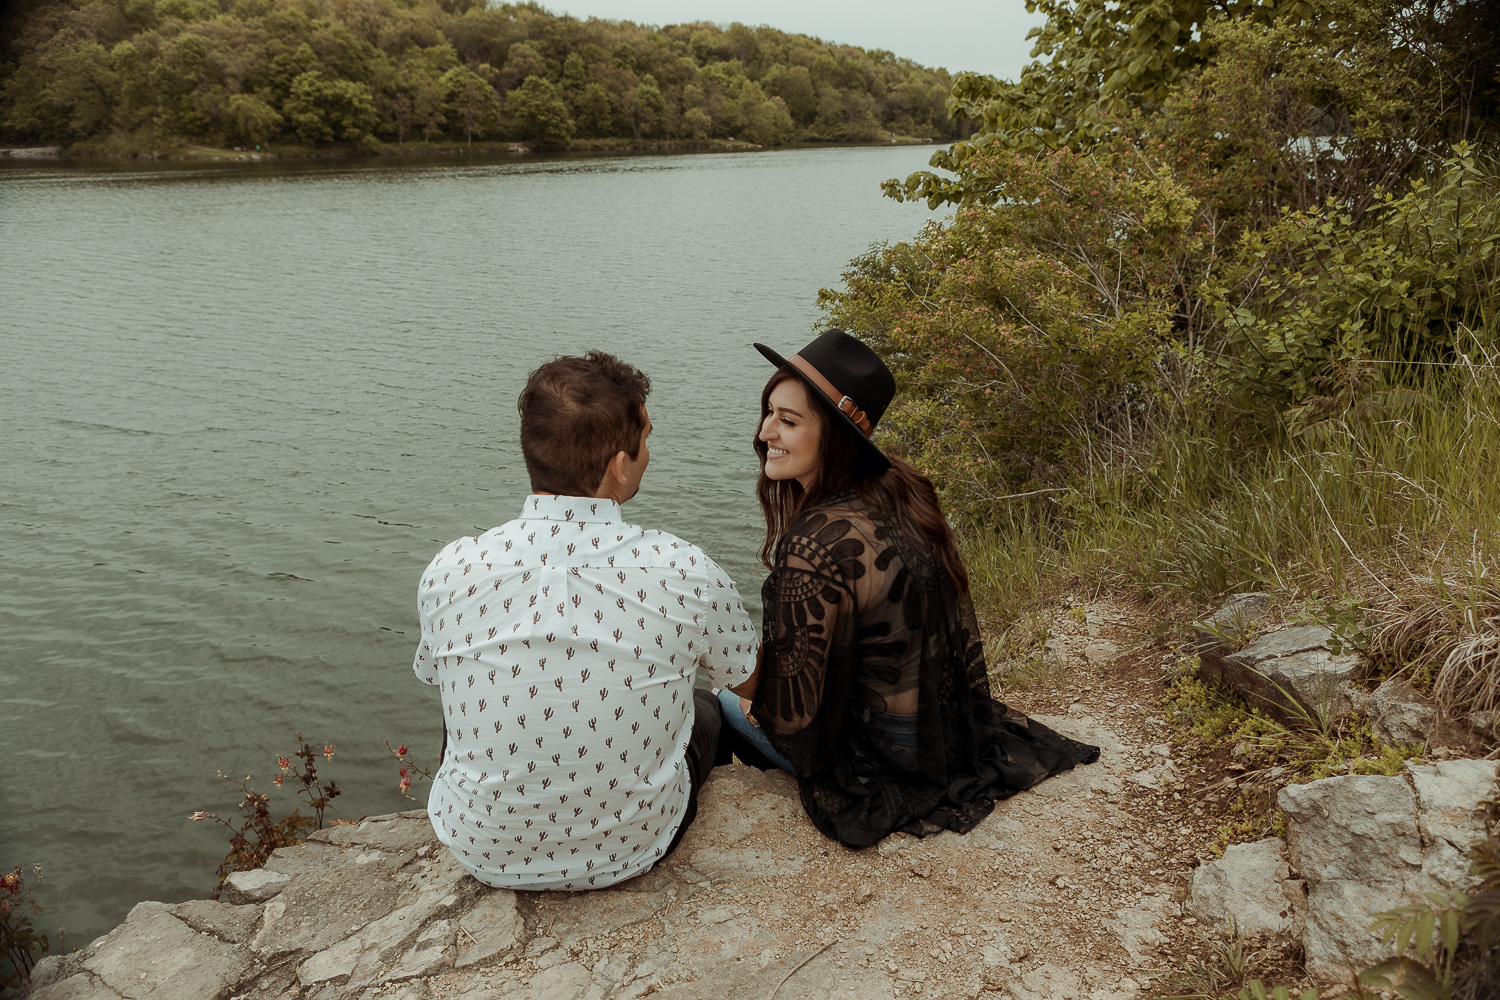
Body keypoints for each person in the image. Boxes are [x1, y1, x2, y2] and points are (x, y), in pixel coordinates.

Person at [717, 329, 1100, 848]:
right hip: (938, 733)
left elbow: (792, 715)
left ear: (834, 434)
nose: (765, 432)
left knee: (719, 702)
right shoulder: (902, 489)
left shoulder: (817, 542)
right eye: (768, 412)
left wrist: (746, 691)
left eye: (788, 420)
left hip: (875, 758)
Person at [412, 351, 758, 890]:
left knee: (472, 676)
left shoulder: (451, 568)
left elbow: (435, 674)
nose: (649, 454)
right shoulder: (685, 570)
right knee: (707, 706)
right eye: (646, 440)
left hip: (481, 850)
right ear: (620, 465)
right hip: (631, 850)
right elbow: (749, 683)